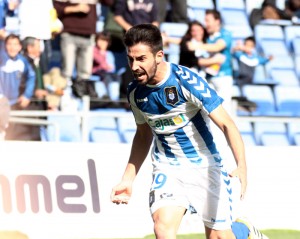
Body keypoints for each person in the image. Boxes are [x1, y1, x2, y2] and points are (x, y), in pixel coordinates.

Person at [110, 23, 269, 239]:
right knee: (162, 227)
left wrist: (242, 165)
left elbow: (226, 124)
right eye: (131, 59)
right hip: (167, 167)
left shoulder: (186, 81)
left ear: (159, 56)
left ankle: (244, 230)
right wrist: (127, 179)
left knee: (219, 237)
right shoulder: (135, 92)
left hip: (205, 166)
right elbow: (143, 134)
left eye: (141, 59)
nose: (135, 66)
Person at [187, 9, 233, 114]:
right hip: (208, 77)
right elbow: (186, 42)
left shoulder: (225, 34)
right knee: (209, 110)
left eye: (208, 20)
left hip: (223, 77)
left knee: (225, 109)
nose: (205, 24)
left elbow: (217, 47)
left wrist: (196, 46)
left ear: (217, 21)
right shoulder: (206, 36)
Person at [53, 0, 99, 98]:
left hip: (88, 34)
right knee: (67, 71)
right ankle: (63, 98)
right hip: (69, 33)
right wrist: (76, 8)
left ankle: (83, 101)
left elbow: (110, 3)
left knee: (85, 72)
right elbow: (55, 8)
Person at [0, 34, 36, 140]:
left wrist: (27, 95)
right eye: (9, 44)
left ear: (20, 47)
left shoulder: (22, 61)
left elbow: (31, 76)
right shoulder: (2, 59)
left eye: (15, 44)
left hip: (15, 102)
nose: (12, 47)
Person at [92, 31, 121, 101]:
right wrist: (102, 52)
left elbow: (111, 67)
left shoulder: (109, 53)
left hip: (106, 73)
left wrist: (106, 66)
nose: (102, 43)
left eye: (105, 41)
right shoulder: (93, 50)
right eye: (100, 40)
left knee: (116, 76)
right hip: (95, 72)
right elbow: (101, 63)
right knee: (106, 75)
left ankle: (114, 98)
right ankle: (105, 96)